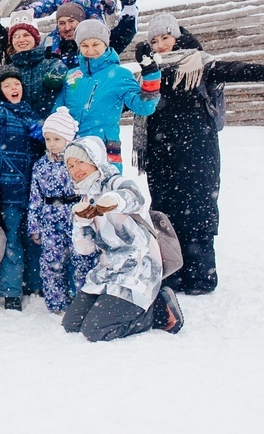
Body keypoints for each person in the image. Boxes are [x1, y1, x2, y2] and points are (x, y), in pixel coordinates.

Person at [135, 13, 264, 294]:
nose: (161, 45)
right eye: (155, 40)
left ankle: (200, 275)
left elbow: (233, 69)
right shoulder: (149, 71)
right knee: (165, 211)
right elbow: (131, 101)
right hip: (160, 153)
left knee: (198, 210)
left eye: (165, 38)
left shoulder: (200, 63)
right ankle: (172, 272)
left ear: (177, 37)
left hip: (198, 150)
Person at [62, 137, 185, 342]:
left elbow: (135, 197)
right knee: (72, 324)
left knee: (96, 330)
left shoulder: (115, 181)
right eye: (70, 166)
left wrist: (113, 201)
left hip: (137, 268)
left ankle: (157, 312)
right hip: (108, 271)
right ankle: (125, 305)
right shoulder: (86, 198)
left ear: (94, 160)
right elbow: (84, 249)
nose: (75, 170)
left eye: (80, 162)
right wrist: (80, 222)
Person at [0, 64, 46, 310]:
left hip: (34, 189)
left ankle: (35, 283)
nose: (13, 88)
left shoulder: (30, 113)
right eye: (7, 86)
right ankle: (11, 291)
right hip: (9, 189)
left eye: (16, 84)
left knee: (34, 238)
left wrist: (42, 134)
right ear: (0, 91)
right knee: (13, 240)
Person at [54, 19, 160, 169]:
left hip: (104, 151)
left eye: (95, 44)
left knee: (105, 191)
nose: (90, 50)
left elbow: (144, 107)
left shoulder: (119, 75)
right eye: (85, 45)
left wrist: (151, 75)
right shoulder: (72, 76)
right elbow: (58, 112)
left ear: (105, 44)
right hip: (73, 152)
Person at [27, 107, 91, 313]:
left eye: (57, 139)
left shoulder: (78, 163)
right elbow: (35, 197)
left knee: (82, 261)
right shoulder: (40, 165)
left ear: (68, 138)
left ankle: (84, 301)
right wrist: (34, 225)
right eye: (48, 139)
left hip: (76, 216)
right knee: (52, 262)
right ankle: (57, 303)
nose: (52, 144)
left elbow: (91, 190)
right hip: (50, 219)